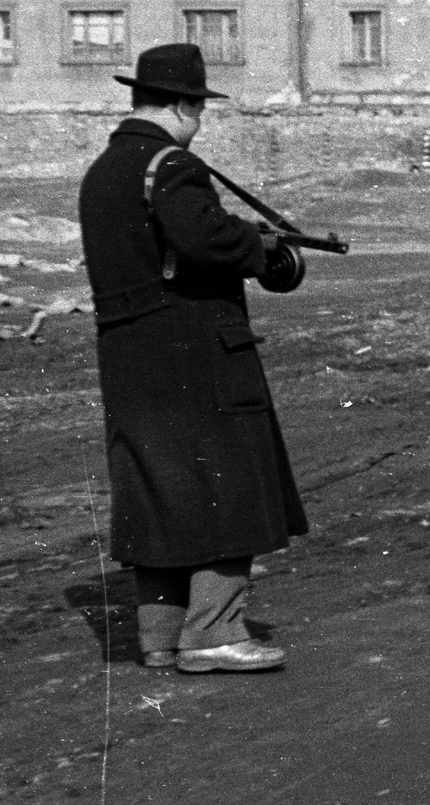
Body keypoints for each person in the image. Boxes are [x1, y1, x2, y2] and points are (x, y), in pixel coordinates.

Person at [79, 43, 310, 673]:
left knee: (159, 489)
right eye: (198, 108)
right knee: (227, 486)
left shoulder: (104, 169)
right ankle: (213, 633)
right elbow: (200, 238)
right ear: (183, 106)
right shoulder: (172, 162)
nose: (199, 120)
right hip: (195, 349)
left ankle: (158, 636)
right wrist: (262, 249)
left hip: (128, 353)